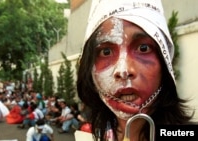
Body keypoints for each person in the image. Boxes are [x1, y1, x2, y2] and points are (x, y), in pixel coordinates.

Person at [76, 0, 194, 141]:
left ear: (165, 65)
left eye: (143, 48)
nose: (123, 70)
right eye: (106, 51)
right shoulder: (91, 136)